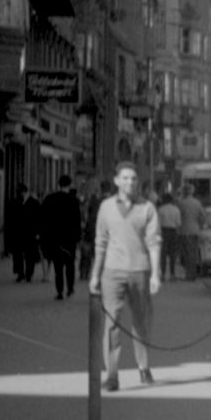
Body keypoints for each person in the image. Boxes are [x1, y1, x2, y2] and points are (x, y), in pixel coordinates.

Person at [90, 161, 162, 390]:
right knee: (111, 323)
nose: (130, 182)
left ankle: (143, 367)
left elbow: (154, 242)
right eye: (125, 178)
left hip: (139, 271)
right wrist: (95, 275)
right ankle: (111, 375)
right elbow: (100, 242)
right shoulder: (106, 207)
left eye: (133, 178)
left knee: (141, 321)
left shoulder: (147, 208)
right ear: (116, 181)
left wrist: (155, 274)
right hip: (112, 272)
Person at [40, 173, 83, 299]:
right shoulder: (73, 201)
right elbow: (77, 221)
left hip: (55, 239)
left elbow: (44, 220)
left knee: (58, 266)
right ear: (69, 185)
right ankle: (70, 288)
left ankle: (59, 291)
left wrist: (45, 237)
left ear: (58, 185)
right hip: (69, 240)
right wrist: (77, 237)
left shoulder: (50, 199)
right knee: (70, 265)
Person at [8, 184, 41, 283]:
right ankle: (20, 273)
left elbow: (39, 219)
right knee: (17, 254)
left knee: (30, 255)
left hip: (30, 233)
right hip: (18, 233)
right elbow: (11, 220)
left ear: (26, 192)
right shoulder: (14, 203)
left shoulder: (34, 203)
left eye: (21, 192)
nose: (20, 195)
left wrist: (38, 232)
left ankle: (29, 274)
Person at [177, 182, 205, 281]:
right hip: (195, 231)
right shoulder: (197, 203)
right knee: (194, 253)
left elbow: (178, 217)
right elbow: (203, 217)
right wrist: (200, 225)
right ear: (192, 192)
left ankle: (189, 274)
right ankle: (193, 274)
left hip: (184, 231)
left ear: (185, 192)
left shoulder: (181, 204)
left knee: (186, 254)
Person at [157, 189, 182, 280]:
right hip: (173, 231)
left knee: (163, 254)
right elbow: (179, 223)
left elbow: (158, 224)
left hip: (163, 231)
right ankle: (172, 274)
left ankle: (163, 274)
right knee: (173, 254)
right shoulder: (176, 210)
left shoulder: (160, 210)